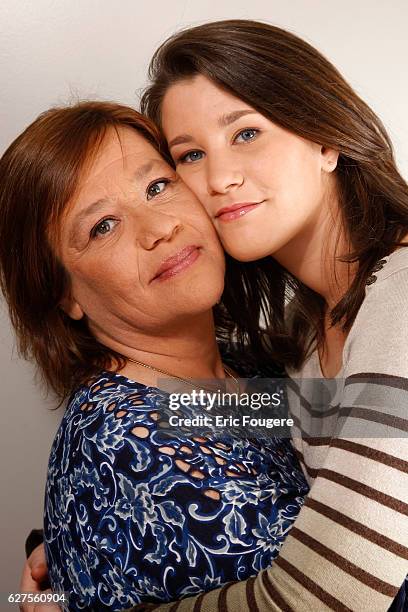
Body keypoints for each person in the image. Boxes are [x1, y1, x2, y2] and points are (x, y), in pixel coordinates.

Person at [139, 18, 408, 612]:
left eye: (245, 134)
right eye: (190, 155)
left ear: (326, 141)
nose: (219, 178)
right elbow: (243, 409)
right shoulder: (318, 328)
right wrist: (81, 543)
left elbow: (321, 599)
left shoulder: (402, 297)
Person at [0, 101, 308, 611]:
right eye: (102, 226)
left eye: (157, 187)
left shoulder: (239, 370)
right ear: (63, 294)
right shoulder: (122, 446)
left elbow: (343, 432)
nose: (158, 229)